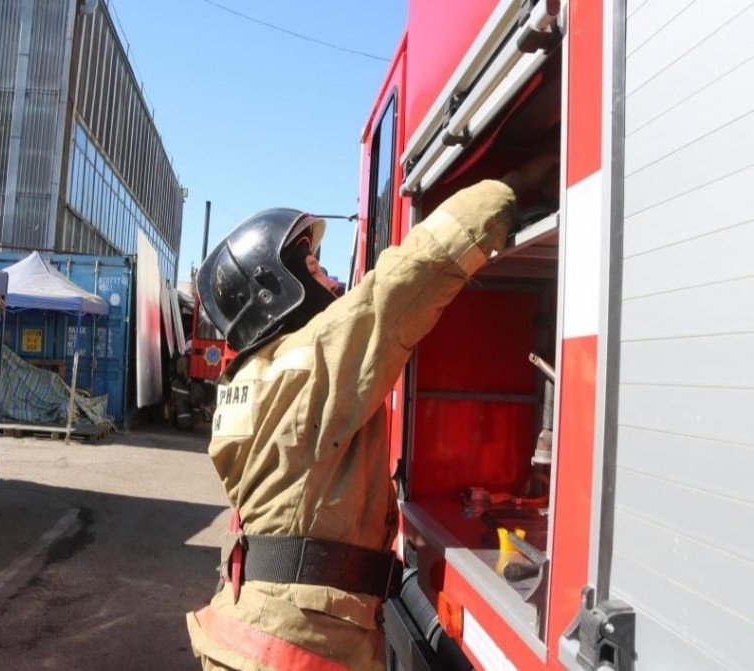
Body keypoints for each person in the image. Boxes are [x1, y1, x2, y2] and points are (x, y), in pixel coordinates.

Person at [187, 156, 558, 671]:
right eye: (314, 269)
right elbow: (399, 287)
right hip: (295, 649)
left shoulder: (248, 382)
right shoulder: (303, 367)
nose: (333, 282)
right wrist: (509, 189)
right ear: (276, 291)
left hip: (255, 637)